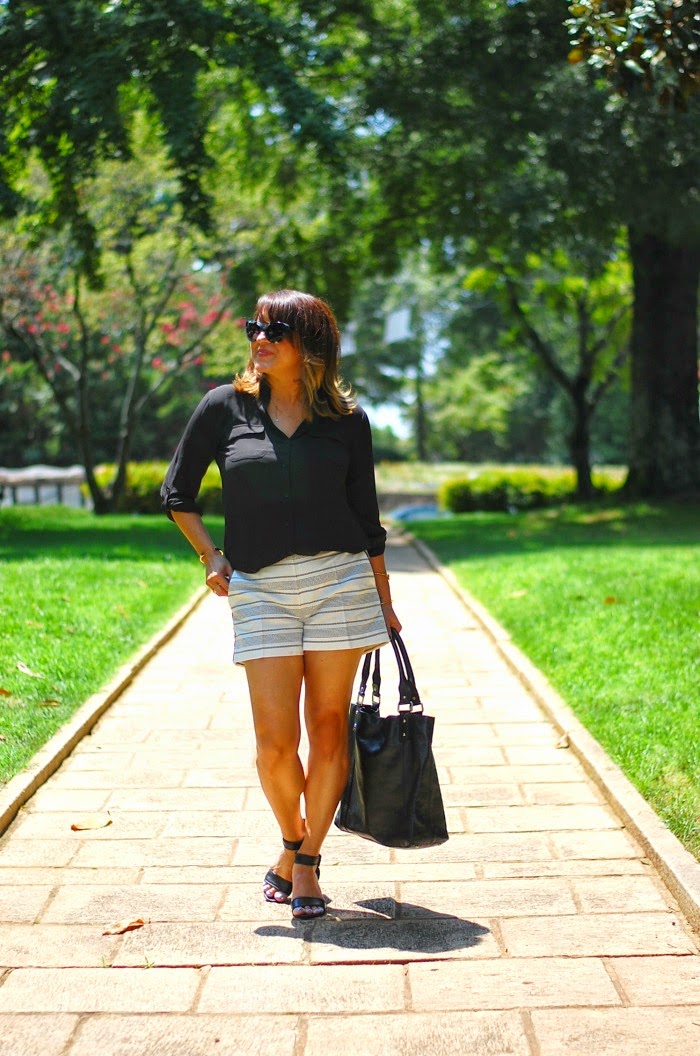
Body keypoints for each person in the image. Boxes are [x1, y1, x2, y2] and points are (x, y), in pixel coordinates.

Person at [161, 289, 401, 920]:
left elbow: (367, 517)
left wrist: (384, 599)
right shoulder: (224, 407)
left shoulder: (347, 421)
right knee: (274, 743)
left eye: (275, 329)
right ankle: (292, 841)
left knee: (328, 728)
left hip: (340, 583)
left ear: (310, 343)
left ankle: (309, 862)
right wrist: (211, 556)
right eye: (255, 327)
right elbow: (177, 493)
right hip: (261, 587)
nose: (259, 339)